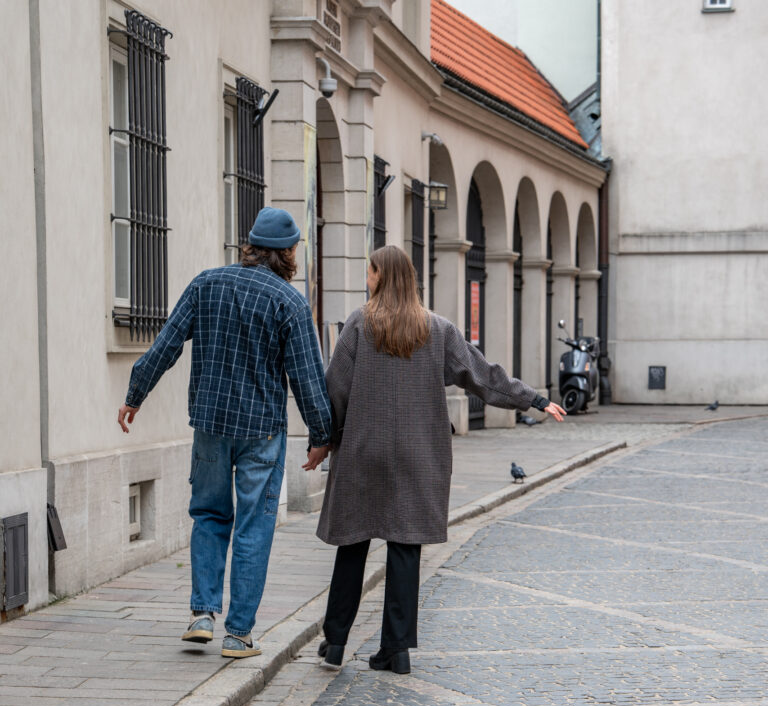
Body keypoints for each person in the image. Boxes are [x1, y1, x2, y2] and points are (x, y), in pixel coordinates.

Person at [316, 244, 565, 676]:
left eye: (370, 272)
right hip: (419, 454)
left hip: (363, 452)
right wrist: (535, 399)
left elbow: (335, 389)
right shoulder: (438, 330)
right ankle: (397, 651)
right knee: (405, 546)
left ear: (382, 276)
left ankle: (335, 643)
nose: (367, 279)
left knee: (352, 544)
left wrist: (324, 440)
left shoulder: (359, 323)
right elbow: (484, 377)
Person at [117, 207, 331, 658]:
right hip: (261, 431)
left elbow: (167, 343)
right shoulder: (288, 303)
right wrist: (321, 435)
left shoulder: (206, 284)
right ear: (289, 253)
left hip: (211, 426)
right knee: (255, 527)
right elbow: (307, 378)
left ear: (249, 245)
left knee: (210, 516)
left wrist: (136, 393)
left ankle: (201, 615)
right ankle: (238, 634)